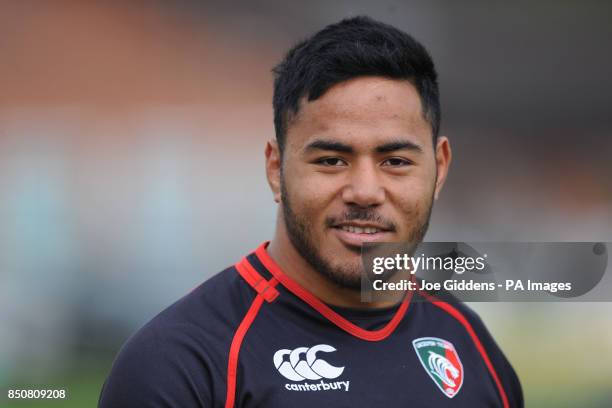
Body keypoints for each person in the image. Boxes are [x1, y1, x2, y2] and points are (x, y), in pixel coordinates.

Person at [99, 16, 523, 407]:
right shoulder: (181, 365)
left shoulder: (472, 347)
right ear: (275, 169)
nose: (364, 192)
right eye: (331, 160)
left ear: (440, 169)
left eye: (395, 161)